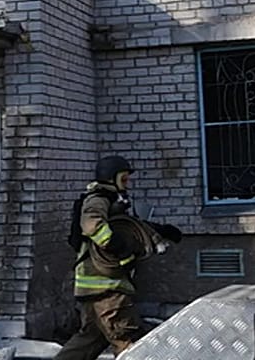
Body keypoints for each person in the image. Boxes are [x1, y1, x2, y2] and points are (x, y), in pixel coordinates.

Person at [54, 154, 183, 360]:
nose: (127, 184)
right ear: (110, 178)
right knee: (127, 338)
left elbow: (127, 224)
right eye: (123, 179)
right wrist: (116, 245)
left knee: (90, 339)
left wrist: (162, 230)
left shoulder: (114, 200)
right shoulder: (98, 198)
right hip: (107, 288)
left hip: (95, 288)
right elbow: (92, 224)